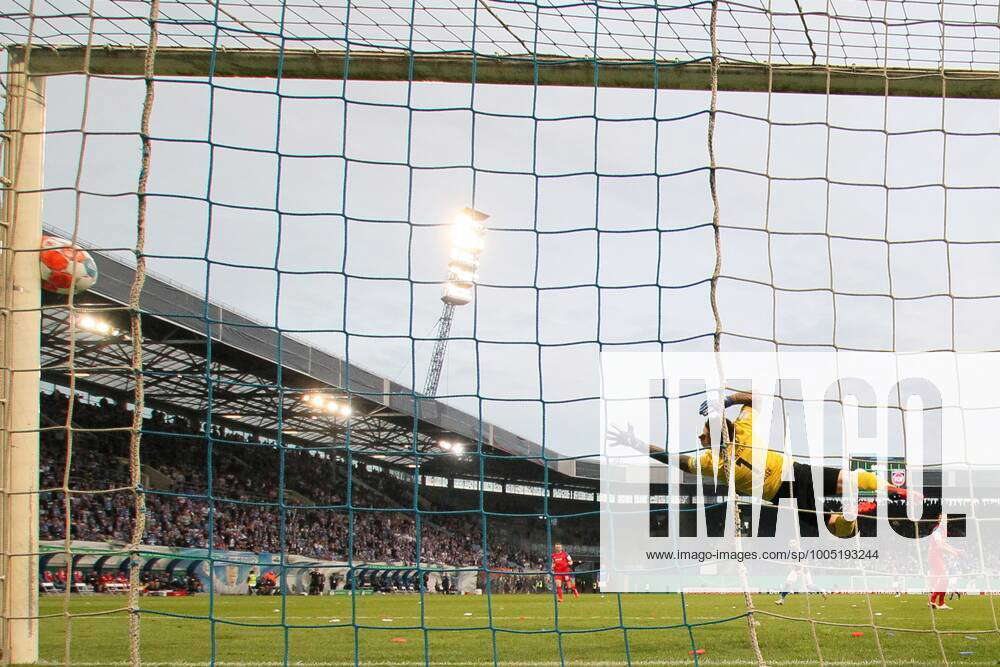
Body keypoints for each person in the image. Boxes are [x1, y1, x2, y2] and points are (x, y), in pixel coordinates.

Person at [612, 391, 909, 538]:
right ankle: (896, 493)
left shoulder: (711, 460)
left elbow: (674, 460)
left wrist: (635, 444)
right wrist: (728, 400)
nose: (698, 437)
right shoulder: (741, 429)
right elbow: (755, 399)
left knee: (834, 526)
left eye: (702, 434)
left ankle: (852, 514)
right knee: (850, 479)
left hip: (785, 489)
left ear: (713, 436)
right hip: (795, 471)